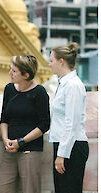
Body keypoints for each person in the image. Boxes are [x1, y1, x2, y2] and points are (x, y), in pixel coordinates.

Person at [0, 54, 50, 193]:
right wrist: (6, 140)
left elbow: (44, 124)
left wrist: (22, 141)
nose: (9, 73)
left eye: (13, 71)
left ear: (25, 75)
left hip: (30, 150)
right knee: (1, 189)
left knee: (30, 189)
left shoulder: (39, 92)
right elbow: (4, 119)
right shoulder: (9, 89)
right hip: (10, 149)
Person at [49, 43, 89, 193]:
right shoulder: (64, 84)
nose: (49, 64)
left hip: (72, 147)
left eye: (52, 60)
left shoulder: (73, 85)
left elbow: (71, 123)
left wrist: (61, 155)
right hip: (64, 145)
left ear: (61, 61)